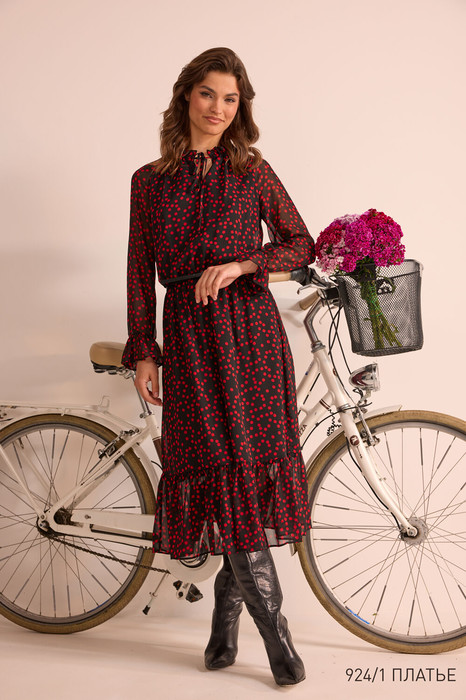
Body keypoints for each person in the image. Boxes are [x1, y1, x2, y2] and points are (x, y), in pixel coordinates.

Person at [122, 47, 315, 687]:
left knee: (246, 478)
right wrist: (144, 350)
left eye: (230, 99)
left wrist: (243, 263)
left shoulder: (251, 170)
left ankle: (231, 626)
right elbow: (138, 274)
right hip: (189, 339)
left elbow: (301, 243)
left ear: (241, 107)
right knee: (219, 474)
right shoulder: (148, 181)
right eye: (208, 94)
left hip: (251, 336)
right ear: (187, 96)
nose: (218, 108)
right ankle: (275, 638)